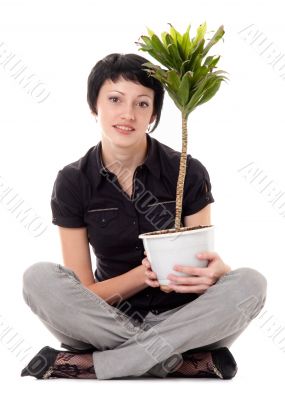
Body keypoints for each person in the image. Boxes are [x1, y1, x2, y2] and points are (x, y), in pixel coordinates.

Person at [21, 53, 267, 380]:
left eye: (141, 103)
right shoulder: (73, 181)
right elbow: (82, 292)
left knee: (251, 283)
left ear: (153, 113)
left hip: (184, 321)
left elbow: (203, 267)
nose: (127, 114)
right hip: (104, 323)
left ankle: (95, 365)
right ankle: (176, 362)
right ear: (94, 106)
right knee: (38, 279)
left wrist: (218, 272)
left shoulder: (187, 171)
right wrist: (141, 276)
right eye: (115, 100)